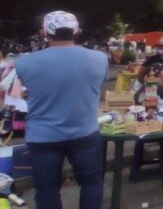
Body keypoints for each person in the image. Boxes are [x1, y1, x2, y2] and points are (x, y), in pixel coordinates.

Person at [15, 11, 107, 209]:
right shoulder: (99, 59)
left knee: (46, 189)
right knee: (92, 183)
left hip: (42, 136)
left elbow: (18, 94)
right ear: (78, 32)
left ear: (43, 33)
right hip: (85, 132)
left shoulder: (23, 63)